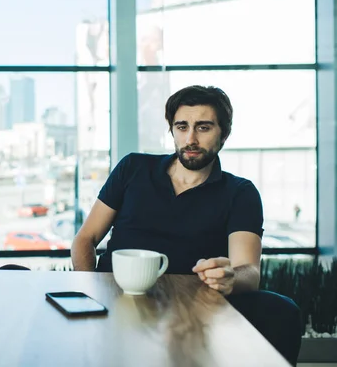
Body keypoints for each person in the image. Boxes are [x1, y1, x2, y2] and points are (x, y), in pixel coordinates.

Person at [71, 85, 302, 366]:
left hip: (192, 311)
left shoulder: (240, 192)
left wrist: (230, 276)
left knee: (282, 311)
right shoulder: (133, 168)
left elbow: (249, 272)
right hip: (117, 300)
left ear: (224, 134)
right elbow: (86, 239)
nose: (190, 138)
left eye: (203, 127)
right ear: (172, 130)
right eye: (182, 126)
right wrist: (91, 293)